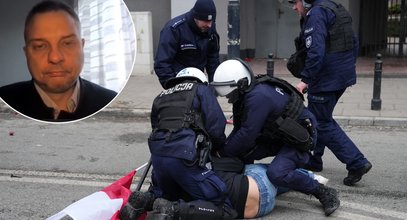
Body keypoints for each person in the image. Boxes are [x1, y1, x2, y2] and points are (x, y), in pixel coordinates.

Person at [211, 58, 340, 216]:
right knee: (240, 153)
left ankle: (322, 191)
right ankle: (245, 186)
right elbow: (239, 130)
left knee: (277, 173)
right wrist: (222, 150)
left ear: (240, 84)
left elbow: (246, 135)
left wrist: (221, 154)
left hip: (298, 140)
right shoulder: (245, 94)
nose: (228, 97)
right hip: (277, 136)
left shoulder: (258, 98)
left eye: (229, 93)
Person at [288, 0, 372, 186]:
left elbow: (316, 51)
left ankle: (356, 162)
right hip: (341, 76)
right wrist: (345, 68)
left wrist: (305, 80)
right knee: (319, 116)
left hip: (326, 79)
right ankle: (315, 160)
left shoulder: (317, 14)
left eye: (294, 2)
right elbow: (354, 42)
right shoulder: (336, 8)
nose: (294, 7)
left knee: (321, 122)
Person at [0, 0, 117, 122]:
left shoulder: (112, 103)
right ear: (27, 54)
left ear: (82, 46)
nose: (55, 58)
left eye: (67, 43)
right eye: (40, 46)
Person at [143, 67, 237, 219]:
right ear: (201, 80)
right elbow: (216, 126)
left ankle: (144, 201)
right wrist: (218, 148)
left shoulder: (161, 96)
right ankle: (173, 210)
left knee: (168, 195)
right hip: (184, 159)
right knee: (224, 207)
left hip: (158, 160)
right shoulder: (201, 90)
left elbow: (156, 127)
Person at [119, 162, 330, 219]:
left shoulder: (179, 184)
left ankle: (304, 178)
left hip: (254, 209)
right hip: (257, 192)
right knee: (264, 171)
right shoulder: (200, 172)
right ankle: (308, 176)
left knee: (266, 181)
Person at [154, 0, 220, 89]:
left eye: (211, 21)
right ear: (195, 17)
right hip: (178, 82)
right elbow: (162, 63)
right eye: (205, 21)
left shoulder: (210, 28)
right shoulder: (174, 29)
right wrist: (172, 86)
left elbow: (213, 59)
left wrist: (214, 86)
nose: (209, 25)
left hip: (199, 81)